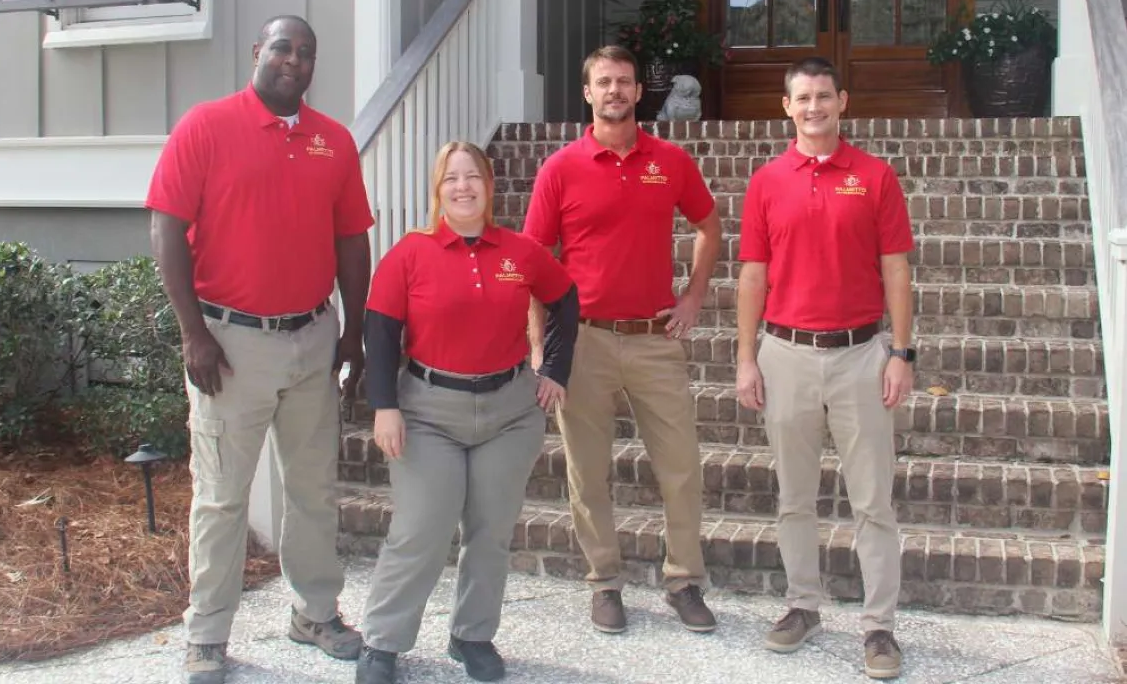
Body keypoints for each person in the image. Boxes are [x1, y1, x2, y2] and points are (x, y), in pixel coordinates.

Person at [147, 15, 373, 684]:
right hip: (229, 346)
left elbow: (352, 242)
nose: (294, 61)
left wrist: (353, 333)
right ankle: (208, 636)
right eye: (282, 48)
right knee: (221, 496)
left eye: (306, 52)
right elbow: (165, 230)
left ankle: (315, 613)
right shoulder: (205, 127)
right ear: (257, 52)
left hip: (312, 340)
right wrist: (193, 332)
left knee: (313, 490)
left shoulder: (334, 141)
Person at [355, 141, 579, 684]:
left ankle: (472, 635)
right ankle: (382, 644)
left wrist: (554, 370)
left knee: (490, 529)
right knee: (421, 529)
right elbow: (380, 334)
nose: (462, 186)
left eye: (472, 176)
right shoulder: (410, 253)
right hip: (429, 410)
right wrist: (384, 406)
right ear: (438, 190)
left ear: (489, 184)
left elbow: (566, 299)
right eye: (451, 178)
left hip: (508, 411)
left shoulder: (520, 252)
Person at [522, 45, 722, 635]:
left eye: (625, 82)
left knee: (681, 467)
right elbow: (535, 262)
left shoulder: (670, 161)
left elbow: (709, 227)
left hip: (656, 339)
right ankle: (604, 582)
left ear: (639, 93)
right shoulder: (560, 168)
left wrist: (692, 296)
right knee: (588, 471)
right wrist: (539, 348)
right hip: (582, 341)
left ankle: (685, 580)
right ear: (588, 93)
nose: (615, 91)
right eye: (604, 82)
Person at [735, 56, 914, 680]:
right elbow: (753, 274)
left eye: (824, 97)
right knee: (794, 497)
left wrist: (901, 351)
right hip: (784, 356)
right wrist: (746, 358)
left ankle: (879, 627)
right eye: (802, 99)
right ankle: (802, 606)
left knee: (873, 500)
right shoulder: (766, 181)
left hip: (862, 355)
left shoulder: (875, 176)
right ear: (787, 107)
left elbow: (895, 267)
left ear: (843, 101)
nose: (814, 108)